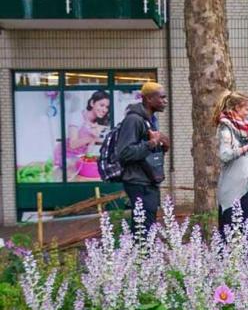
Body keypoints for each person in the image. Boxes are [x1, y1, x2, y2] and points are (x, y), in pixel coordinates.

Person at [117, 81, 169, 233]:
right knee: (143, 229)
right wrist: (152, 143)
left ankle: (145, 255)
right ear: (148, 99)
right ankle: (142, 256)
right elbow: (124, 152)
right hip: (137, 181)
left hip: (148, 180)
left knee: (148, 226)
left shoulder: (150, 120)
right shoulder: (134, 120)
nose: (165, 101)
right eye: (162, 97)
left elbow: (149, 152)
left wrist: (163, 146)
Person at [213, 90, 248, 239]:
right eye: (246, 109)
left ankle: (247, 260)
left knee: (246, 228)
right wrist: (247, 147)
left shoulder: (241, 128)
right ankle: (228, 260)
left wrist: (247, 144)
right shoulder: (225, 128)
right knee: (230, 229)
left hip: (245, 182)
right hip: (232, 187)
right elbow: (225, 154)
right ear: (236, 108)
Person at [58, 90, 111, 181]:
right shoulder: (77, 117)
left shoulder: (97, 122)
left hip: (80, 159)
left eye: (107, 107)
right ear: (92, 103)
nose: (104, 110)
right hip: (66, 157)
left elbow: (90, 148)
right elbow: (73, 144)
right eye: (101, 105)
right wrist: (93, 137)